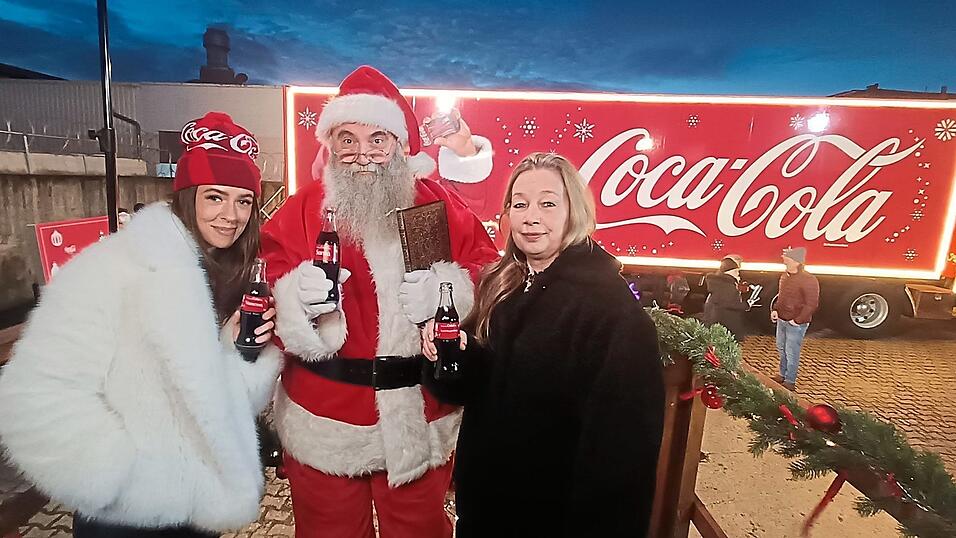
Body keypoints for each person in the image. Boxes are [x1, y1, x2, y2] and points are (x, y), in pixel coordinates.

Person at [0, 112, 283, 537]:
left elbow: (207, 401)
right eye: (215, 197)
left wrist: (239, 352)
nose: (231, 215)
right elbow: (35, 390)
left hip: (199, 506)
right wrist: (112, 474)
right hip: (125, 512)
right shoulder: (114, 266)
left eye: (244, 200)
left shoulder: (228, 276)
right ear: (187, 196)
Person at [260, 65, 498, 538]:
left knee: (419, 531)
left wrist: (448, 291)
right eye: (347, 139)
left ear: (398, 145)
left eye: (377, 140)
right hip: (323, 417)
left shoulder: (435, 205)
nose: (362, 154)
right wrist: (294, 299)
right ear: (331, 146)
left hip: (418, 415)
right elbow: (265, 286)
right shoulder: (303, 210)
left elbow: (488, 272)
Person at [421, 152, 666, 537]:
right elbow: (479, 389)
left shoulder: (610, 311)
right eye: (520, 204)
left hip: (556, 521)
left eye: (548, 203)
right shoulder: (503, 285)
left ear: (575, 211)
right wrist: (453, 354)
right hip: (488, 511)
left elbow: (623, 457)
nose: (531, 217)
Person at [771, 246, 820, 391]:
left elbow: (811, 303)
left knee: (792, 351)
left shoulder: (808, 280)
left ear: (797, 262)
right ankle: (782, 374)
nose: (784, 259)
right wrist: (775, 309)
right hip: (782, 319)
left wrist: (797, 320)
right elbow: (781, 297)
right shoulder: (785, 276)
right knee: (782, 348)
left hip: (795, 323)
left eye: (788, 258)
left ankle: (790, 380)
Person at [702, 254, 749, 340]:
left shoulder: (721, 283)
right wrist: (747, 304)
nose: (738, 274)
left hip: (719, 327)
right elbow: (731, 303)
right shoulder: (725, 284)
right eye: (736, 271)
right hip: (724, 328)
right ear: (730, 272)